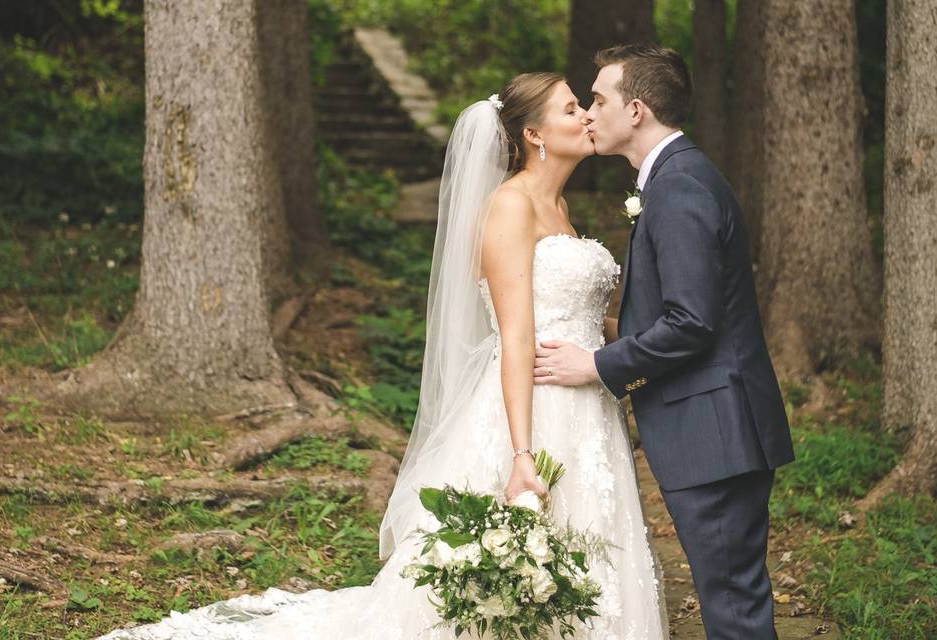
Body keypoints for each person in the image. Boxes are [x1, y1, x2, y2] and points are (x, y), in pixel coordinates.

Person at [97, 71, 669, 639]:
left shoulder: (560, 207)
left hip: (583, 402)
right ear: (535, 135)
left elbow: (571, 316)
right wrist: (522, 452)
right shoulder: (511, 207)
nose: (588, 117)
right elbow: (517, 335)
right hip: (532, 404)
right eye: (572, 109)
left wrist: (642, 342)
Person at [535, 44, 795, 640]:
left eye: (599, 99)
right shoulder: (675, 178)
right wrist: (603, 331)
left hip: (716, 435)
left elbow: (692, 324)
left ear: (637, 110)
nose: (589, 113)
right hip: (716, 429)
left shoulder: (678, 187)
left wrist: (598, 364)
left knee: (733, 610)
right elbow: (694, 308)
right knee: (731, 599)